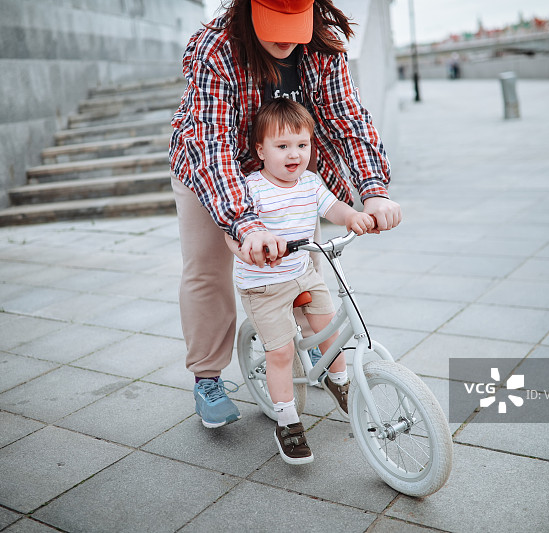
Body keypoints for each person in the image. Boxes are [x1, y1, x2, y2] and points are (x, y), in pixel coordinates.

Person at [169, 0, 402, 429]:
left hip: (286, 170)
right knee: (207, 269)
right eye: (274, 23)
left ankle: (314, 350)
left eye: (294, 24)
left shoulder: (322, 46)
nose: (284, 38)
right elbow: (212, 144)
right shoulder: (217, 48)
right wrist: (244, 223)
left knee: (306, 260)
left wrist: (373, 191)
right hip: (213, 168)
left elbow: (348, 119)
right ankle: (208, 378)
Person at [226, 97, 375, 463]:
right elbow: (231, 229)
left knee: (329, 329)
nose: (294, 154)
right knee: (280, 353)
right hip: (264, 286)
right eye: (282, 146)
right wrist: (246, 248)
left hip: (302, 272)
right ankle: (287, 421)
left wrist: (351, 216)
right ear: (261, 151)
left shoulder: (309, 182)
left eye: (302, 145)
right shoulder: (251, 188)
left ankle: (338, 382)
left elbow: (331, 206)